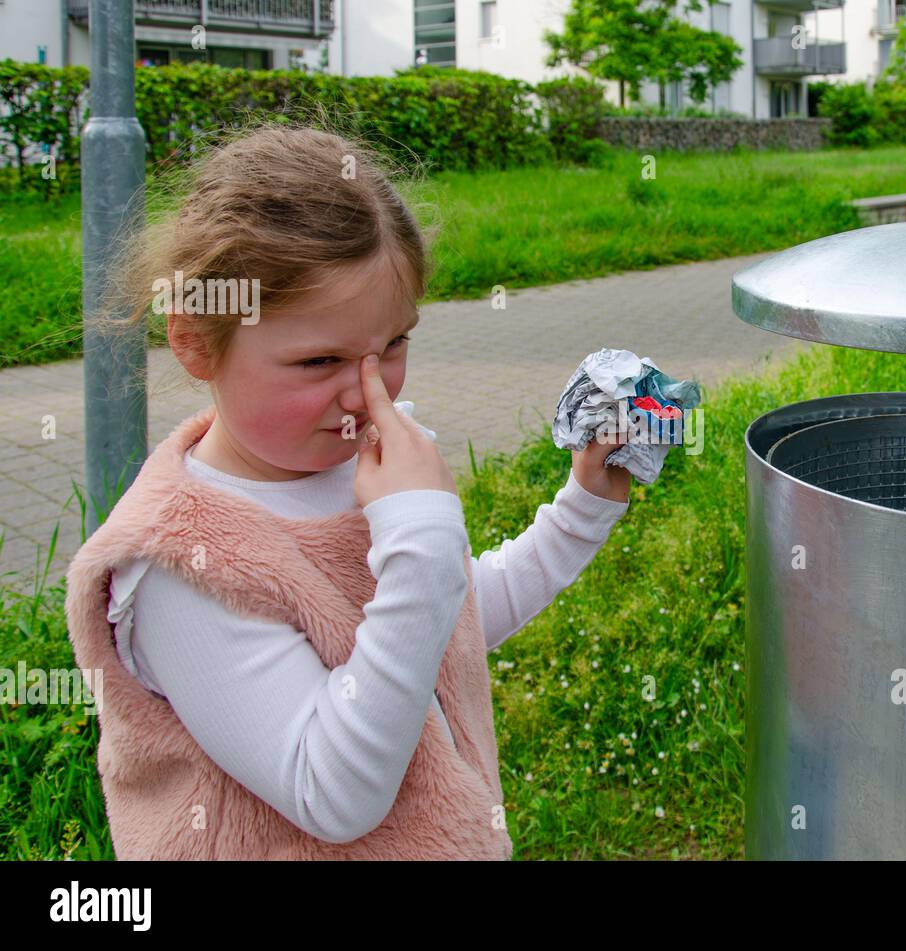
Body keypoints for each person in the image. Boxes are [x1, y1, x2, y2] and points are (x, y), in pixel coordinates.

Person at [64, 123, 633, 859]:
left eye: (394, 345)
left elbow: (442, 626)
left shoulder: (349, 469)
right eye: (319, 359)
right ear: (197, 341)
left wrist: (579, 511)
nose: (369, 392)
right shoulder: (183, 565)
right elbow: (331, 793)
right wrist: (422, 546)